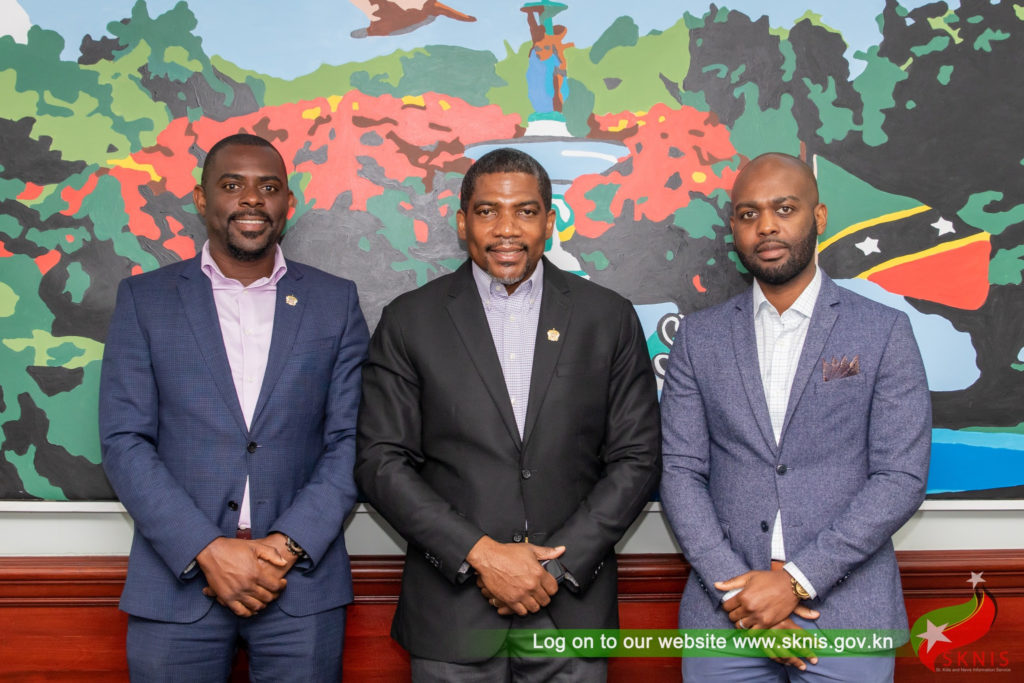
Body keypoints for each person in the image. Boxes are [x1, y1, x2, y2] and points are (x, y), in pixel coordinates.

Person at [355, 147, 660, 681]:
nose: (506, 229)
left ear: (548, 219)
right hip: (452, 615)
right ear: (461, 221)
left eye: (524, 210)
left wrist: (555, 567)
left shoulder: (607, 317)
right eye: (487, 210)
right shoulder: (409, 321)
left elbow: (636, 459)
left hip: (570, 608)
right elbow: (382, 462)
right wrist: (482, 556)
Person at [99, 133, 369, 681]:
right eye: (232, 185)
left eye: (269, 187)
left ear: (287, 205)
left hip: (301, 585)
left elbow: (353, 439)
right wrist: (206, 549)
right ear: (202, 199)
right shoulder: (145, 299)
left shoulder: (334, 301)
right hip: (176, 583)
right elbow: (124, 441)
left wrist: (285, 546)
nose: (252, 199)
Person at [660, 152, 931, 681]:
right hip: (726, 617)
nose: (766, 226)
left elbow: (901, 476)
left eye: (784, 208)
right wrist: (740, 590)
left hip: (850, 612)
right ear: (734, 227)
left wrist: (795, 582)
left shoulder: (883, 331)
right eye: (747, 213)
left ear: (819, 217)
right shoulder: (699, 337)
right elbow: (679, 471)